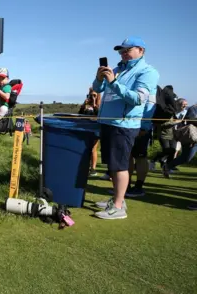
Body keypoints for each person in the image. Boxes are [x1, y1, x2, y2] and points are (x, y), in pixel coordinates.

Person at [92, 36, 159, 220]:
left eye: (127, 50)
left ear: (141, 51)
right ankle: (118, 199)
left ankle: (118, 206)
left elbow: (138, 98)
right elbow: (97, 89)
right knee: (113, 166)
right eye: (121, 51)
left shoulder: (147, 72)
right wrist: (99, 79)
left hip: (124, 124)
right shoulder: (118, 70)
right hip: (108, 123)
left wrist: (113, 83)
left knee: (120, 166)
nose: (123, 54)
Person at [78, 87, 102, 176]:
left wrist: (95, 104)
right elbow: (80, 115)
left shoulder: (100, 105)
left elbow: (99, 114)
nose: (92, 97)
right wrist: (83, 105)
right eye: (90, 95)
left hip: (94, 129)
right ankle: (85, 166)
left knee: (93, 149)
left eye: (94, 95)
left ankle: (93, 168)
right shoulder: (87, 105)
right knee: (85, 148)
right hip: (85, 128)